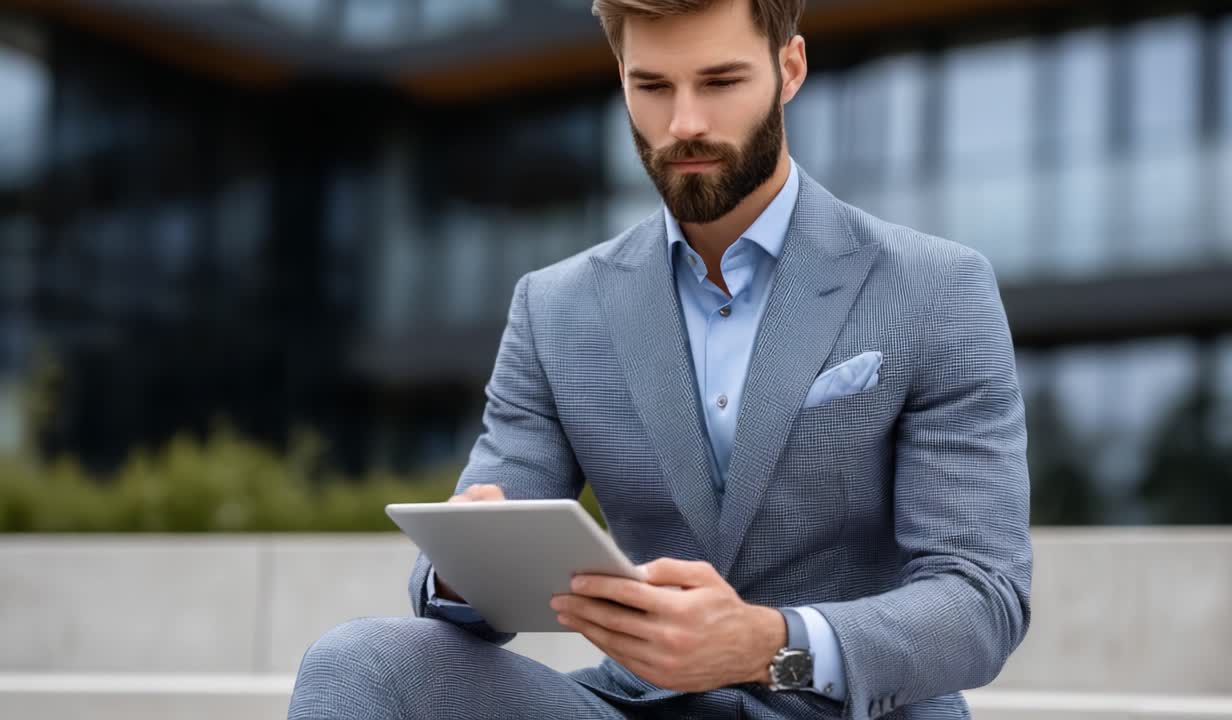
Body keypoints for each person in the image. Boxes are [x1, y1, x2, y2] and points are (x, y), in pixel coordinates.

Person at [287, 0, 1032, 718]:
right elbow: (475, 571)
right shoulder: (554, 310)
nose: (686, 125)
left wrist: (768, 647)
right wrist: (462, 564)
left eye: (720, 81)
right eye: (652, 86)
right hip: (638, 706)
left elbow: (980, 597)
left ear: (790, 68)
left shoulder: (935, 290)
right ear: (621, 78)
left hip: (843, 708)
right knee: (356, 662)